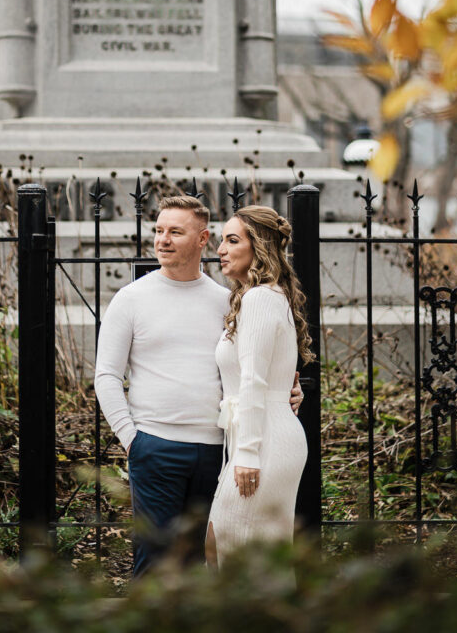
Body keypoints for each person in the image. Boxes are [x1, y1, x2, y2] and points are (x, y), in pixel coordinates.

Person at [94, 194, 303, 576]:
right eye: (158, 231)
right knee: (155, 563)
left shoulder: (230, 301)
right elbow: (106, 375)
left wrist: (285, 391)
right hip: (156, 446)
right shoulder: (130, 299)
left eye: (175, 232)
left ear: (202, 238)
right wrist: (133, 439)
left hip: (218, 451)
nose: (162, 240)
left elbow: (255, 367)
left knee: (206, 560)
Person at [205, 205, 314, 566]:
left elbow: (253, 379)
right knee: (224, 543)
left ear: (260, 247)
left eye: (232, 240)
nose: (221, 249)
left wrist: (249, 453)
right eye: (221, 240)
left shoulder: (259, 298)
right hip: (259, 433)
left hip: (264, 442)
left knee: (234, 549)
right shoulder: (259, 297)